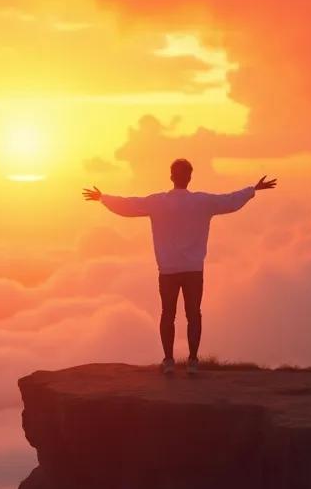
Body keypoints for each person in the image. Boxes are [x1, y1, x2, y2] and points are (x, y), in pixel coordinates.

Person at [82, 159, 277, 375]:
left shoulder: (158, 202)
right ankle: (193, 361)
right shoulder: (202, 202)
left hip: (168, 269)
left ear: (171, 176)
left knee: (168, 314)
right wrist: (253, 189)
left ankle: (168, 361)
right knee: (194, 314)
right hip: (193, 269)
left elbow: (129, 205)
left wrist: (103, 198)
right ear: (189, 177)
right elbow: (229, 201)